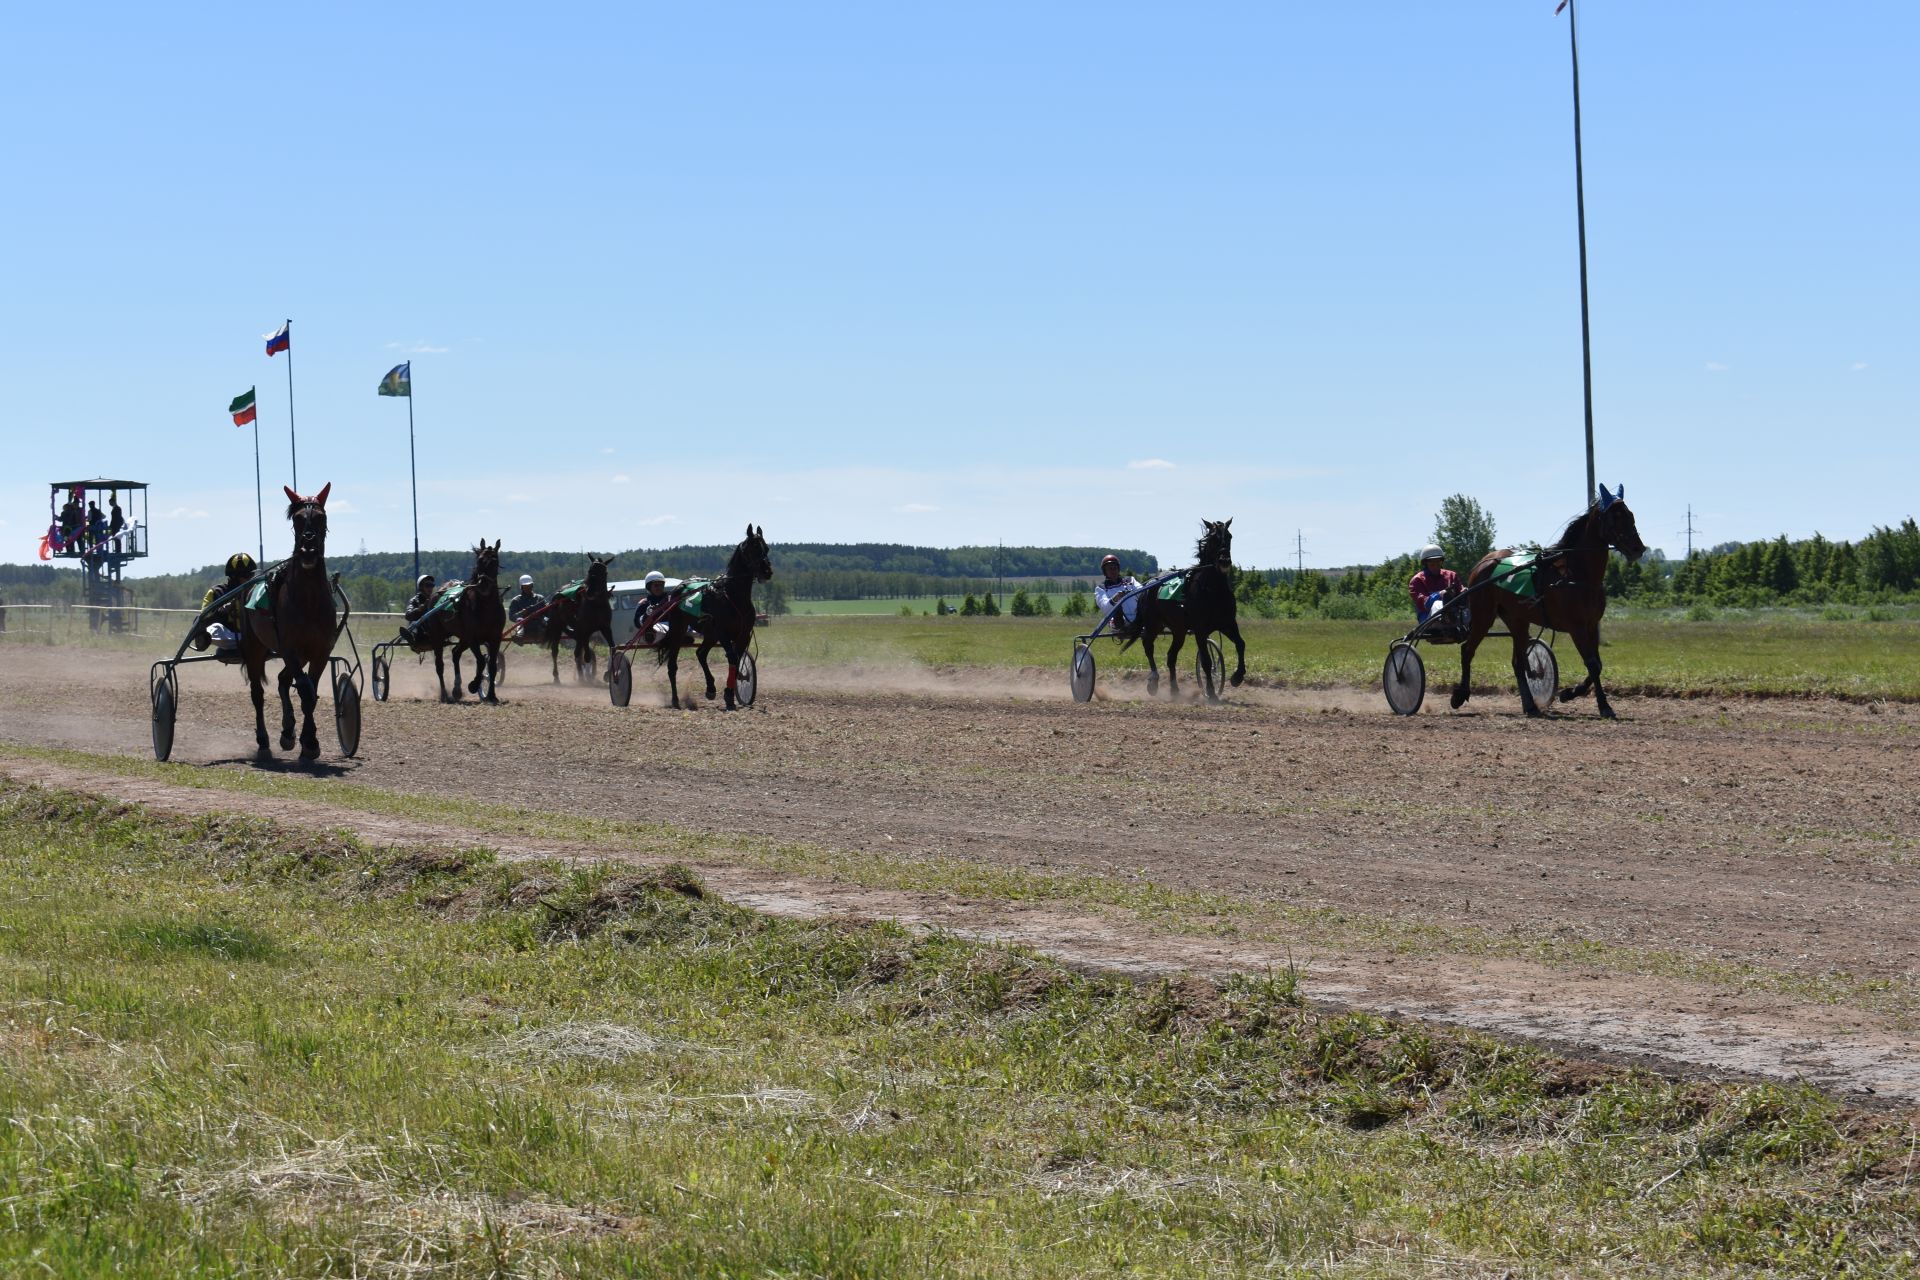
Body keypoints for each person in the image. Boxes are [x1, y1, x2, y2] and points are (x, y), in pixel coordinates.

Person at [191, 552, 257, 654]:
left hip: (254, 636)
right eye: (247, 575)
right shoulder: (216, 592)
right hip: (228, 637)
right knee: (212, 626)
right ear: (234, 577)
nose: (250, 579)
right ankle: (203, 639)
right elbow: (203, 619)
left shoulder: (257, 592)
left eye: (252, 575)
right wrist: (223, 610)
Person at [1408, 545, 1462, 632]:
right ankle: (1447, 620)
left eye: (1438, 561)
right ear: (1425, 563)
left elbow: (1460, 593)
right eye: (1431, 562)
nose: (1435, 564)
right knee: (1438, 604)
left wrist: (1464, 591)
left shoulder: (1452, 576)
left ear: (1442, 561)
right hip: (1427, 618)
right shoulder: (1417, 580)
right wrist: (1439, 594)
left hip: (1454, 614)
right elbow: (1424, 604)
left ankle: (1456, 621)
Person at [1094, 554, 1142, 637]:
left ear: (1118, 569)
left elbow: (1142, 592)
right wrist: (1116, 598)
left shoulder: (1130, 580)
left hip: (1138, 618)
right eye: (1109, 568)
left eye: (1114, 568)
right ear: (1105, 571)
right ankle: (1123, 628)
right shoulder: (1101, 589)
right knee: (1117, 611)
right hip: (1119, 622)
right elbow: (1106, 608)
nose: (1113, 570)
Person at [633, 570, 680, 645]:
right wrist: (647, 614)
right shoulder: (644, 603)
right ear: (649, 587)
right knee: (651, 634)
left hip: (671, 628)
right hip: (654, 632)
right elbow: (637, 623)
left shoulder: (670, 599)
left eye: (661, 585)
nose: (659, 588)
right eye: (656, 585)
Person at [398, 574, 437, 645]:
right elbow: (408, 615)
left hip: (433, 629)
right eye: (427, 585)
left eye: (432, 585)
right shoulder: (414, 600)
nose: (430, 588)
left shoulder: (435, 599)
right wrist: (418, 610)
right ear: (421, 587)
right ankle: (411, 637)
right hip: (420, 633)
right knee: (414, 623)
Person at [508, 574, 547, 639]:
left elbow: (548, 612)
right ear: (521, 587)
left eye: (530, 586)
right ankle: (519, 635)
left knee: (546, 620)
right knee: (519, 620)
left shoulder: (540, 598)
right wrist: (523, 612)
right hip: (525, 626)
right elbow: (511, 616)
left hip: (540, 625)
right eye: (525, 586)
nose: (528, 588)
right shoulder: (516, 600)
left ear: (532, 586)